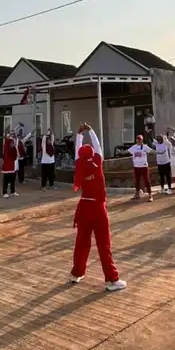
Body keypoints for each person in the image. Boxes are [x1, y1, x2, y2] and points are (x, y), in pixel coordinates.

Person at [70, 122, 126, 291]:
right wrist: (91, 130)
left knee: (81, 242)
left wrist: (79, 134)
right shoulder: (97, 162)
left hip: (84, 206)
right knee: (104, 244)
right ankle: (111, 279)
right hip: (98, 207)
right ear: (92, 154)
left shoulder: (80, 164)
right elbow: (98, 146)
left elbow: (78, 152)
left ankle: (76, 273)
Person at [127, 134, 154, 201]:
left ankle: (150, 195)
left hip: (144, 166)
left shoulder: (145, 146)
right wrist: (121, 152)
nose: (139, 140)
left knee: (146, 180)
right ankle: (137, 194)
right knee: (137, 181)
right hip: (136, 166)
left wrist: (157, 152)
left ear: (142, 140)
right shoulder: (134, 147)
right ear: (136, 140)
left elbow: (151, 151)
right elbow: (127, 151)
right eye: (138, 139)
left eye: (140, 139)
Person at [1, 131, 18, 197]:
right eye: (11, 143)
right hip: (7, 166)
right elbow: (6, 141)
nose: (12, 144)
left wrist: (14, 136)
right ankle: (4, 192)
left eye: (12, 143)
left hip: (12, 165)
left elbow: (15, 142)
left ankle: (12, 191)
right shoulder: (6, 147)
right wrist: (7, 137)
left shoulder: (13, 149)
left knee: (13, 179)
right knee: (6, 180)